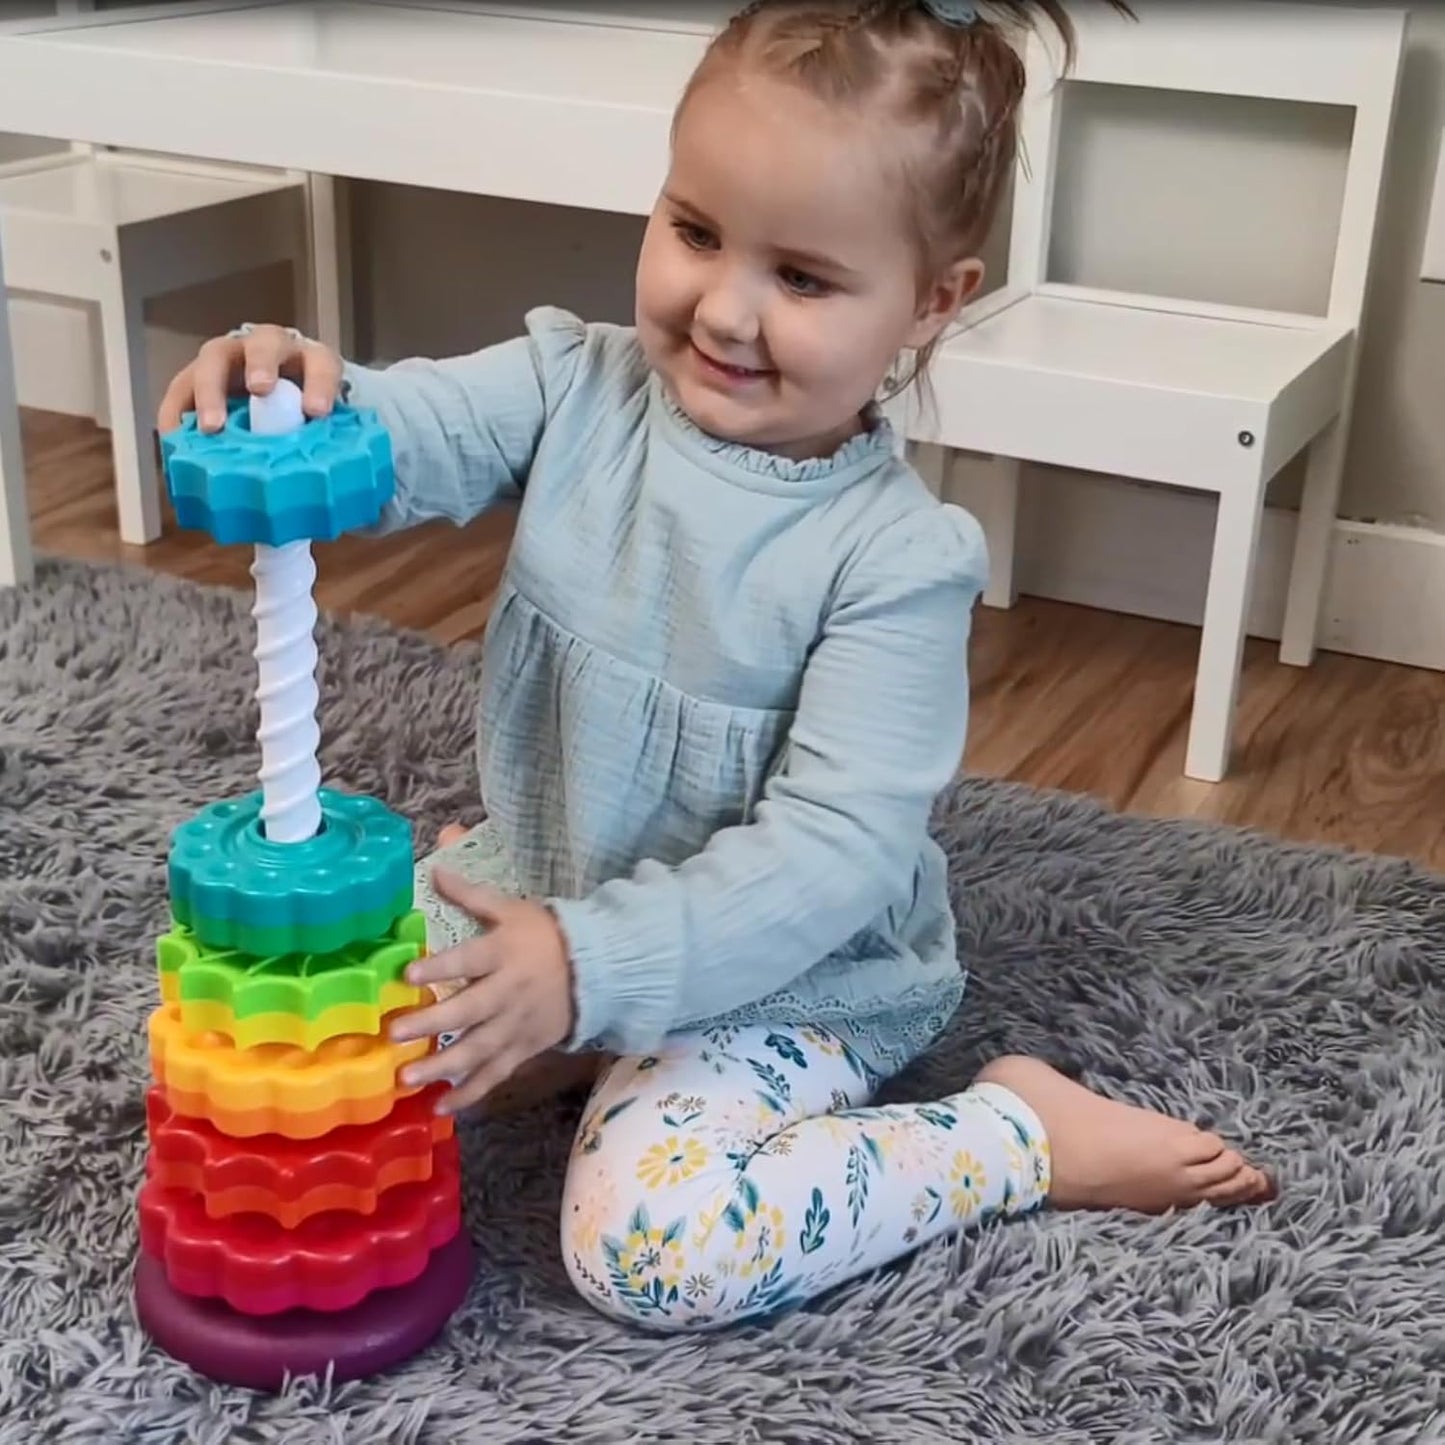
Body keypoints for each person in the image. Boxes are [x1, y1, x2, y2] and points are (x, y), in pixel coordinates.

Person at [158, 0, 1273, 1331]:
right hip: (552, 883)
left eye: (801, 278)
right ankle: (569, 1025)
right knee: (287, 1047)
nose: (725, 309)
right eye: (695, 232)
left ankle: (1012, 1131)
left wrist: (591, 967)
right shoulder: (578, 384)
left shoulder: (895, 559)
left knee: (652, 1242)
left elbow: (829, 858)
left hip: (785, 968)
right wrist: (304, 394)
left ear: (932, 302)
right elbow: (418, 426)